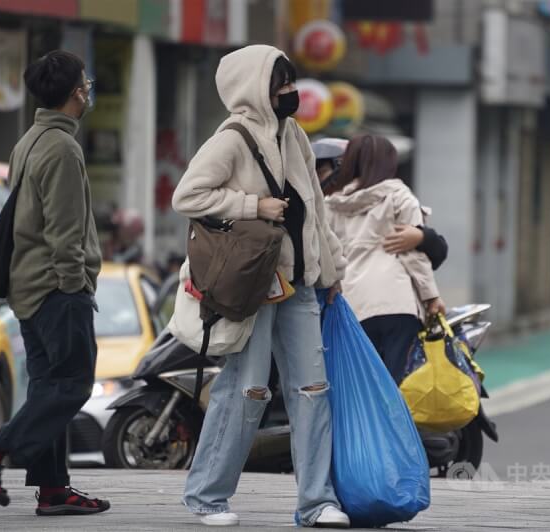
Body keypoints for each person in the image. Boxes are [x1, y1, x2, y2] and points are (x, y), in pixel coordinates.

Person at [171, 45, 350, 528]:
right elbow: (187, 195)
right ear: (256, 88)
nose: (290, 92)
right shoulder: (231, 138)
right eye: (281, 84)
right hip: (253, 287)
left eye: (291, 82)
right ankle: (208, 496)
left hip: (300, 287)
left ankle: (316, 503)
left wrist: (331, 273)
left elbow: (316, 210)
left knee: (313, 389)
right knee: (246, 389)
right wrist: (253, 205)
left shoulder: (295, 136)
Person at [0, 50, 109, 516]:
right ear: (75, 93)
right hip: (55, 289)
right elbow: (64, 231)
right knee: (73, 385)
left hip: (28, 287)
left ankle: (53, 489)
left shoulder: (29, 140)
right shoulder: (63, 148)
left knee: (48, 386)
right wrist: (75, 285)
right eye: (85, 83)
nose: (88, 90)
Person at [323, 134, 445, 383]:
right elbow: (413, 256)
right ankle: (394, 423)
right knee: (396, 384)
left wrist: (332, 286)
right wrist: (431, 296)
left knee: (363, 384)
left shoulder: (330, 204)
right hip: (396, 301)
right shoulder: (399, 197)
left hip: (354, 304)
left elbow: (327, 254)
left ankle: (366, 424)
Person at [312, 138, 448, 271]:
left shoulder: (394, 200)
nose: (314, 179)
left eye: (321, 173)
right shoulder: (321, 208)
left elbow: (428, 256)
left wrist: (423, 237)